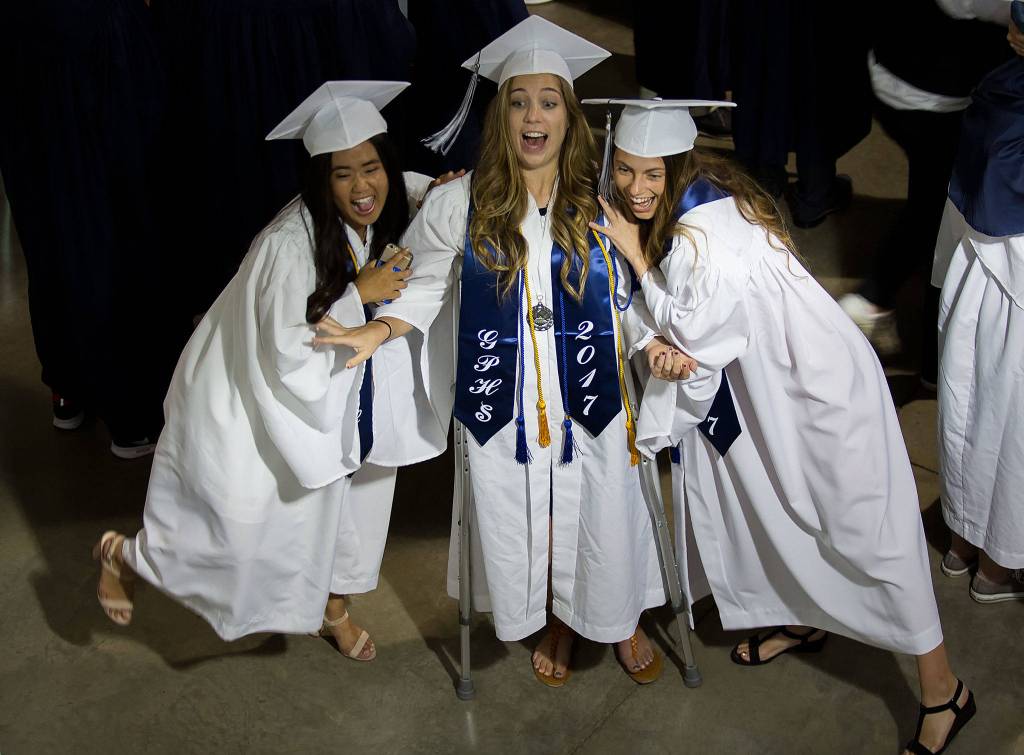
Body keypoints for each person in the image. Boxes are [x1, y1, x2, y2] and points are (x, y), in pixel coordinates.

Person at [588, 99, 975, 754]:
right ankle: (805, 619)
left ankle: (944, 691)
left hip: (817, 395)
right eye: (624, 171)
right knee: (771, 512)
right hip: (767, 387)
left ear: (678, 165)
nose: (634, 188)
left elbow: (690, 335)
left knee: (867, 534)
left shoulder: (701, 241)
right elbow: (680, 331)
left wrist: (635, 257)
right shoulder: (692, 199)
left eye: (651, 174)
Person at [315, 17, 674, 686]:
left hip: (590, 391)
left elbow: (628, 292)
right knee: (528, 512)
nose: (533, 115)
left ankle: (618, 615)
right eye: (518, 101)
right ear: (501, 116)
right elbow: (419, 286)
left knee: (605, 499)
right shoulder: (463, 203)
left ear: (568, 118)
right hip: (506, 401)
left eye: (547, 101)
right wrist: (375, 330)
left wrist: (653, 345)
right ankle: (560, 617)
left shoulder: (598, 203)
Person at [91, 82, 446, 649]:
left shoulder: (389, 201)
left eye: (371, 167)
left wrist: (441, 190)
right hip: (252, 398)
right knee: (234, 529)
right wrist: (360, 292)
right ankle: (127, 556)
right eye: (342, 173)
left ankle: (335, 610)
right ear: (319, 181)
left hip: (350, 394)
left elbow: (411, 188)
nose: (363, 187)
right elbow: (287, 348)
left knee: (360, 508)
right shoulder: (290, 243)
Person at [838, 0, 1013, 367]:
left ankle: (880, 299)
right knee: (940, 211)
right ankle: (880, 303)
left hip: (899, 70)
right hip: (935, 95)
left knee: (935, 203)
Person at [933, 14, 1024, 604]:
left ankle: (961, 541)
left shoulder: (1002, 85)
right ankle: (996, 567)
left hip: (977, 261)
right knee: (1011, 426)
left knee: (969, 409)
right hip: (1015, 274)